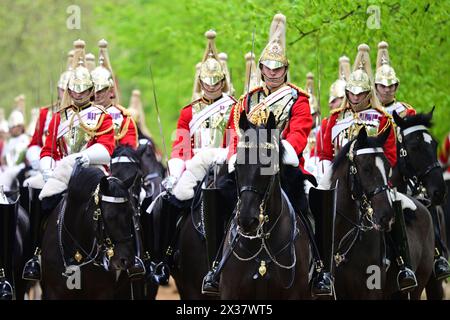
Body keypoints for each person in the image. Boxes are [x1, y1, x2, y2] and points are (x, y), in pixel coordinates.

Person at [210, 13, 334, 297]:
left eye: (278, 68)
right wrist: (235, 157)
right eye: (268, 67)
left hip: (284, 166)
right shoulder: (247, 100)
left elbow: (299, 134)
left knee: (309, 206)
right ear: (262, 69)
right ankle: (215, 265)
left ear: (286, 69)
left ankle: (320, 270)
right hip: (248, 165)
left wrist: (278, 156)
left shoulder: (298, 99)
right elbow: (234, 132)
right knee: (218, 197)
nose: (273, 73)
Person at [319, 44, 417, 292]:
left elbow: (392, 156)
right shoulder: (333, 119)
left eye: (360, 93)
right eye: (351, 92)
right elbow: (323, 153)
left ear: (368, 93)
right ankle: (319, 267)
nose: (354, 97)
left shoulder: (382, 118)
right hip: (341, 183)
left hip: (375, 182)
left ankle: (402, 263)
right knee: (316, 209)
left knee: (393, 206)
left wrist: (383, 180)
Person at [22, 39, 115, 281]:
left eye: (83, 90)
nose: (78, 94)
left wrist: (85, 156)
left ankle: (118, 252)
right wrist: (46, 169)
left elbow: (106, 149)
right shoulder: (58, 118)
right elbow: (48, 150)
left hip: (93, 172)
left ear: (92, 90)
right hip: (61, 175)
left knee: (118, 202)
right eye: (74, 89)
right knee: (32, 193)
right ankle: (35, 254)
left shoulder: (103, 117)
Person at [149, 30, 236, 286]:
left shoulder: (233, 107)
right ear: (200, 82)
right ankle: (163, 258)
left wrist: (224, 157)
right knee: (167, 203)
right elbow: (180, 146)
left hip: (222, 164)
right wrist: (176, 170)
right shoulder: (188, 112)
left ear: (222, 83)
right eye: (207, 82)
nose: (211, 87)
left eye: (216, 82)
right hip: (193, 166)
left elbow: (235, 142)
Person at [91, 39, 138, 149]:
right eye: (93, 90)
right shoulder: (80, 115)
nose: (96, 95)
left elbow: (129, 147)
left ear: (111, 91)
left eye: (101, 90)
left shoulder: (123, 117)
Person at [374, 41, 415, 117]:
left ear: (396, 86)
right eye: (383, 86)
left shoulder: (405, 111)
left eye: (390, 86)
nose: (387, 90)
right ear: (375, 87)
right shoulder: (366, 112)